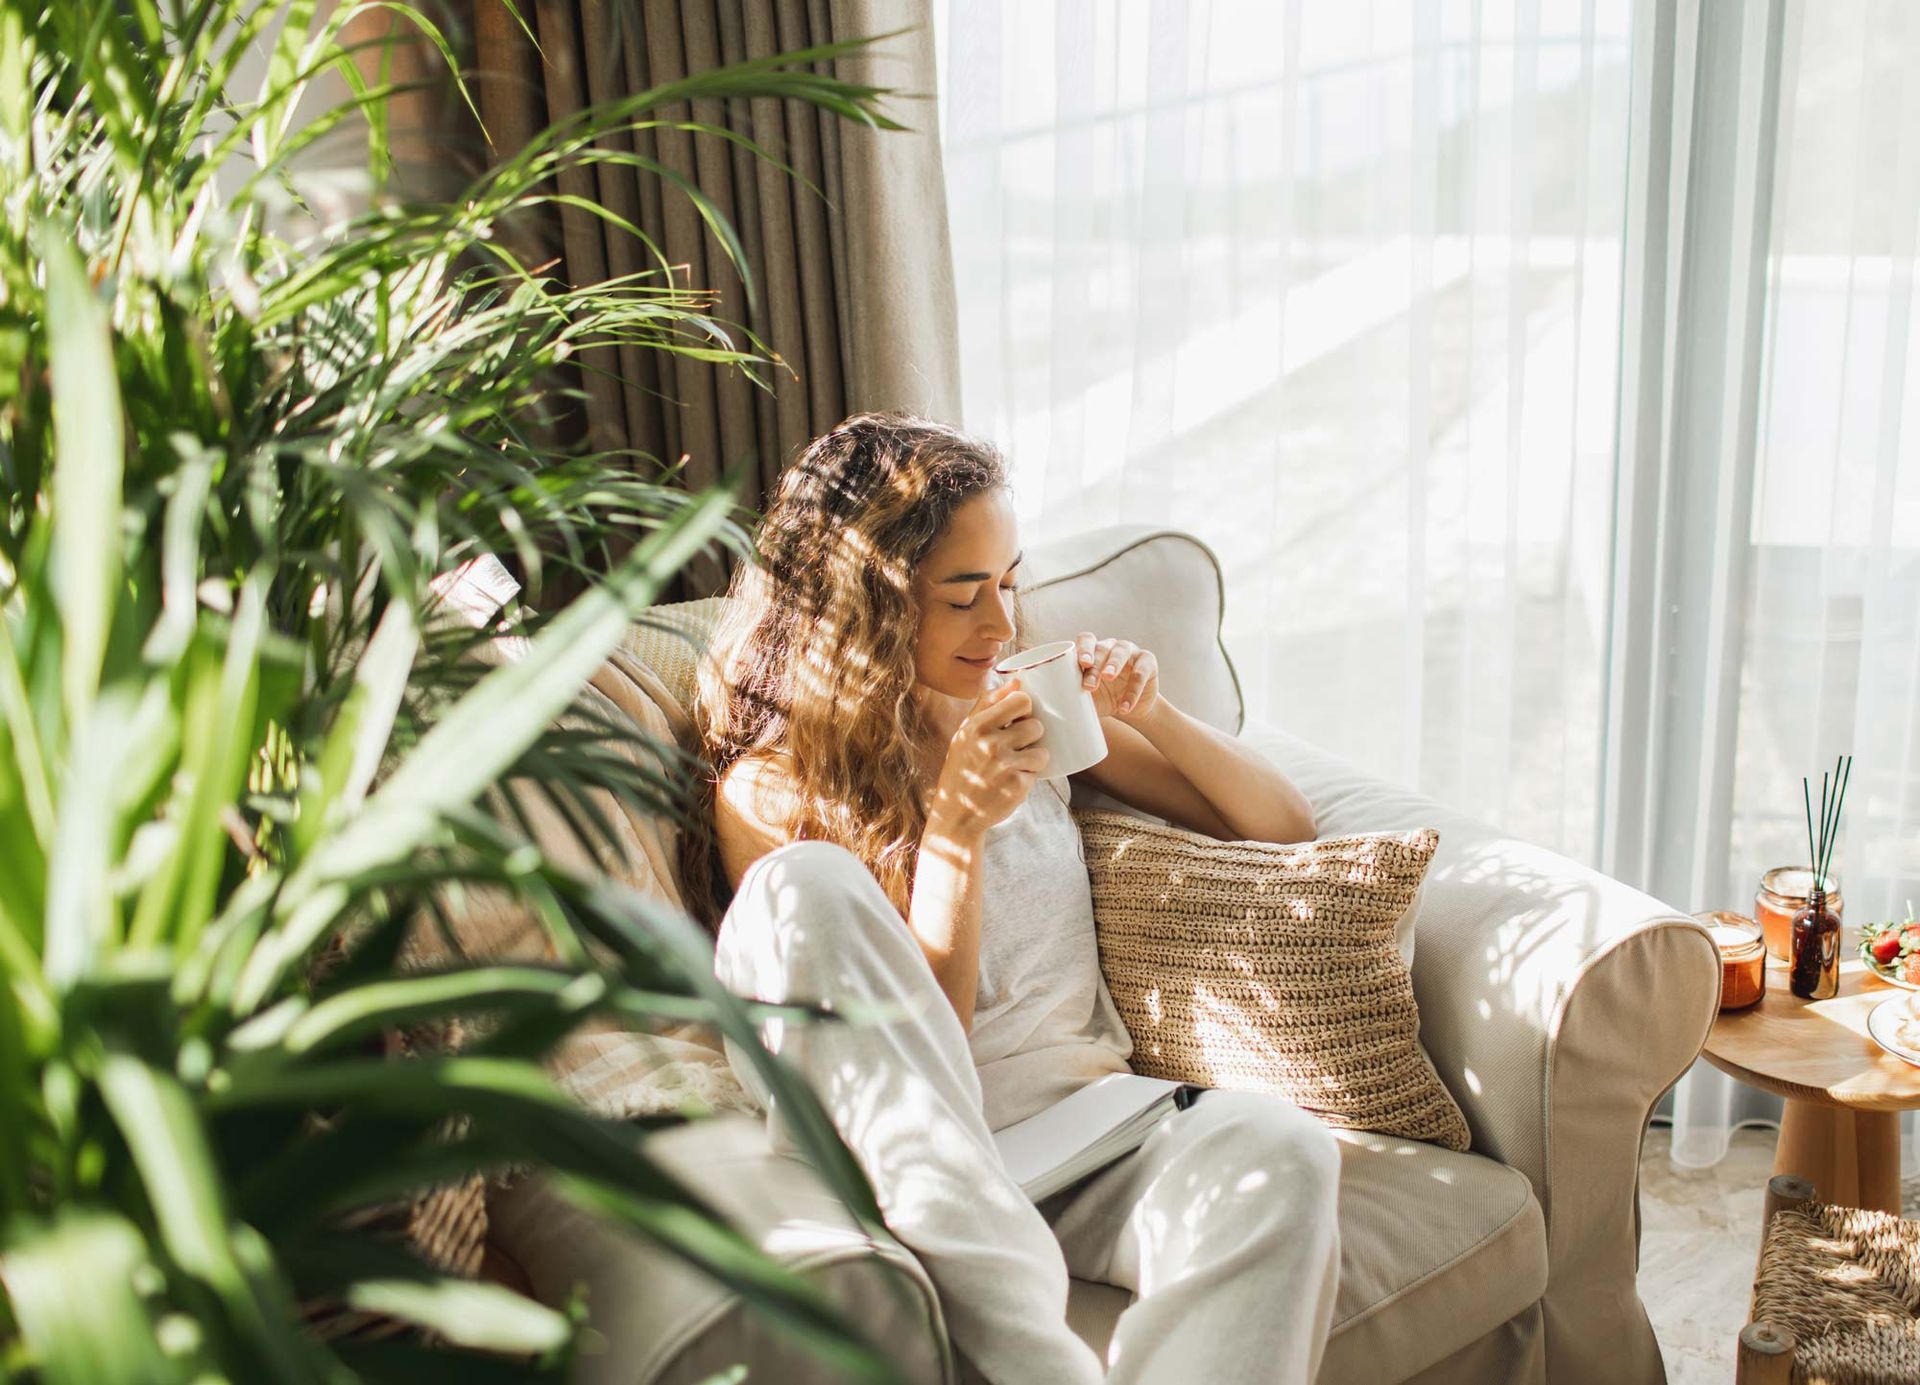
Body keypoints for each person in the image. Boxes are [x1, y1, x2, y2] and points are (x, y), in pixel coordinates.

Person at [681, 413, 1341, 1385]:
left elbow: (1283, 826)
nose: (1000, 625)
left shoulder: (1026, 713)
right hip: (929, 1158)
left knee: (1278, 1146)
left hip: (1095, 1133)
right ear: (868, 602)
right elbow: (916, 1051)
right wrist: (955, 832)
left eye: (1010, 581)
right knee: (805, 885)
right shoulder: (777, 786)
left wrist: (1148, 710)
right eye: (963, 595)